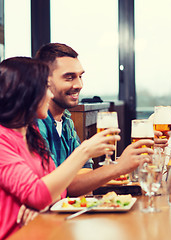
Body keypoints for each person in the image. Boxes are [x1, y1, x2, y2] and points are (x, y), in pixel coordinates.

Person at [0, 57, 119, 239]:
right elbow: (39, 194)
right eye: (45, 88)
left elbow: (59, 191)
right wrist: (85, 150)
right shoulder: (2, 139)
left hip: (41, 232)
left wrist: (40, 204)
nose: (50, 95)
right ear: (26, 93)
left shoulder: (32, 134)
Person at [35, 43, 153, 196]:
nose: (79, 85)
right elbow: (56, 189)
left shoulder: (66, 121)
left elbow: (84, 175)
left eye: (80, 76)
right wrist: (118, 167)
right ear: (45, 81)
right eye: (69, 77)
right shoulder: (34, 124)